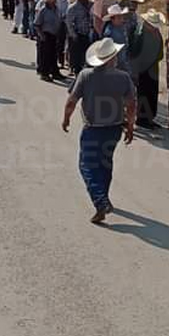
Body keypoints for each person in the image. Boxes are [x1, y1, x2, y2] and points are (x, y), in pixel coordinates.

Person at [62, 38, 137, 224]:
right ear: (113, 57)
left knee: (86, 165)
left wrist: (66, 118)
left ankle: (100, 200)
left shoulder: (86, 75)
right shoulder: (123, 77)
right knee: (105, 164)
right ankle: (103, 196)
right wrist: (130, 126)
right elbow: (131, 105)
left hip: (93, 128)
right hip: (114, 129)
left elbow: (72, 100)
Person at [130, 10, 165, 128]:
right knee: (143, 94)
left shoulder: (157, 33)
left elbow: (160, 52)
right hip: (143, 70)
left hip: (154, 68)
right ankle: (142, 119)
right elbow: (134, 54)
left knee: (152, 94)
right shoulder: (139, 34)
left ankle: (150, 118)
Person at [34, 0, 65, 82]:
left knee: (53, 55)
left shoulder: (56, 9)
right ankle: (44, 73)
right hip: (45, 34)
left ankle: (55, 72)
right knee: (45, 55)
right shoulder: (43, 10)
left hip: (54, 34)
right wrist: (41, 35)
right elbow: (37, 24)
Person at [65, 0, 94, 75]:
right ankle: (75, 70)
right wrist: (73, 34)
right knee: (76, 54)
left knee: (86, 54)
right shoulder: (73, 8)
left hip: (88, 33)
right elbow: (69, 23)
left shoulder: (91, 5)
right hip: (78, 34)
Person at [102, 4, 132, 73]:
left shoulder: (122, 27)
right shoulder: (109, 33)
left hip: (124, 60)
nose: (122, 19)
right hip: (117, 64)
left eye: (121, 17)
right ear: (112, 19)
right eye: (119, 17)